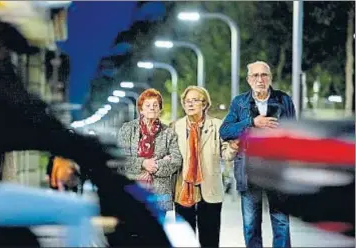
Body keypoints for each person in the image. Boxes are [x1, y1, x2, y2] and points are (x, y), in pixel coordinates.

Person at [0, 3, 170, 246]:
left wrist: (79, 144)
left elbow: (30, 119)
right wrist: (90, 150)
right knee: (77, 211)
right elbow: (34, 122)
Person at [219, 61, 296, 248]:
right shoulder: (239, 102)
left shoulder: (284, 100)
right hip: (248, 170)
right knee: (251, 224)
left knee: (281, 222)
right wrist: (252, 122)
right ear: (248, 79)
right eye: (255, 75)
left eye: (264, 75)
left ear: (270, 78)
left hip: (276, 169)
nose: (260, 79)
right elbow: (225, 131)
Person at [173, 86, 237, 247]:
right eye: (187, 101)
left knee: (210, 239)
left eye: (195, 100)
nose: (190, 104)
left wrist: (235, 147)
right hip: (184, 189)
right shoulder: (176, 127)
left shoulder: (217, 125)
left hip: (210, 188)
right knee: (184, 239)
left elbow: (226, 154)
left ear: (204, 104)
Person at [117, 88, 183, 215]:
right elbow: (121, 160)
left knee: (156, 233)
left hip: (158, 194)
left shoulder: (169, 133)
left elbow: (176, 161)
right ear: (141, 109)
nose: (152, 108)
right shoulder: (127, 129)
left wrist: (155, 165)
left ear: (160, 109)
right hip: (132, 189)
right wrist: (143, 163)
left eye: (155, 105)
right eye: (147, 105)